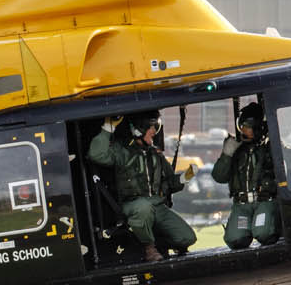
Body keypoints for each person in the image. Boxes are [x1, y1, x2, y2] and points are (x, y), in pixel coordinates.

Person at [89, 113, 195, 262]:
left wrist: (185, 177)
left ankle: (155, 244)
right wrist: (108, 128)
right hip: (132, 204)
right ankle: (149, 248)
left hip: (157, 205)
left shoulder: (155, 154)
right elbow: (96, 154)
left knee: (187, 238)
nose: (154, 131)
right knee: (143, 207)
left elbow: (171, 183)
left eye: (155, 127)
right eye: (151, 127)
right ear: (138, 130)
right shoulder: (122, 151)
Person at [212, 102, 279, 250]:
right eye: (241, 126)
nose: (242, 130)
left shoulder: (270, 149)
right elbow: (219, 177)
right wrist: (227, 155)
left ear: (257, 127)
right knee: (235, 240)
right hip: (242, 205)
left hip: (264, 201)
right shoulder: (235, 150)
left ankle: (273, 223)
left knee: (264, 234)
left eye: (247, 126)